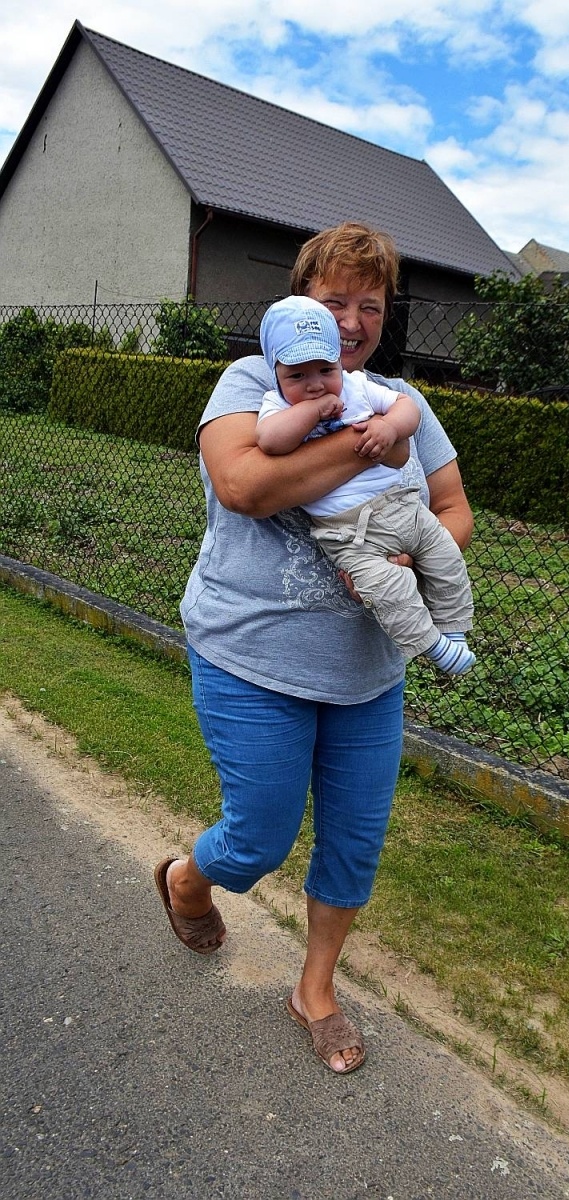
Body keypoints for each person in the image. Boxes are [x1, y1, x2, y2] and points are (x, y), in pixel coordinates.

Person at [153, 221, 474, 1074]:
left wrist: (411, 551)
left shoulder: (403, 398)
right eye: (336, 300)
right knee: (256, 841)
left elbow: (454, 510)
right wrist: (366, 438)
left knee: (354, 841)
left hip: (367, 671)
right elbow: (245, 483)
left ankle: (316, 989)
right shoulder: (255, 378)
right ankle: (190, 876)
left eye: (371, 304)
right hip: (250, 655)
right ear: (301, 305)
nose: (355, 319)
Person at [256, 295, 475, 675]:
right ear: (276, 374)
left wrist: (390, 427)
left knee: (444, 555)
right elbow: (271, 441)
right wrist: (312, 412)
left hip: (401, 505)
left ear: (339, 361)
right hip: (346, 532)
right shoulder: (276, 405)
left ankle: (454, 627)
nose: (314, 385)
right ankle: (432, 645)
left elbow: (410, 409)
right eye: (297, 376)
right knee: (387, 587)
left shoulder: (358, 387)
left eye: (325, 370)